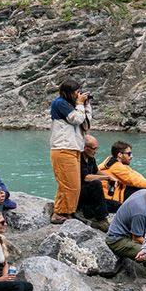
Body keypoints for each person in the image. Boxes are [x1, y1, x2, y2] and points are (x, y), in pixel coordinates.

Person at [106, 187, 146, 291]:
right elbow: (137, 238)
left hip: (129, 234)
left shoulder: (143, 193)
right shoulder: (140, 211)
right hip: (118, 240)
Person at [48, 79, 92, 224]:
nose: (78, 95)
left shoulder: (72, 105)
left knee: (73, 185)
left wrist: (86, 105)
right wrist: (79, 104)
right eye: (76, 92)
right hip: (62, 148)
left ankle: (68, 212)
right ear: (68, 93)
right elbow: (76, 119)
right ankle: (59, 213)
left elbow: (86, 123)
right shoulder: (59, 103)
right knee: (68, 184)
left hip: (73, 149)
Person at [75, 136, 113, 228]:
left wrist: (109, 178)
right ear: (85, 148)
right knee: (96, 183)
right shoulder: (78, 159)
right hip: (80, 192)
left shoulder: (91, 158)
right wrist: (106, 177)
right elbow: (86, 177)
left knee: (115, 205)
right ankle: (101, 219)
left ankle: (97, 214)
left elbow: (96, 171)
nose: (95, 151)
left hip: (89, 193)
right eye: (94, 148)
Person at [99, 141, 146, 207]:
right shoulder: (116, 166)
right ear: (120, 154)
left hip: (114, 194)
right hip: (109, 200)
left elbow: (136, 176)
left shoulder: (114, 162)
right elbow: (134, 180)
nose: (131, 156)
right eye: (129, 153)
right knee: (145, 192)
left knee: (142, 189)